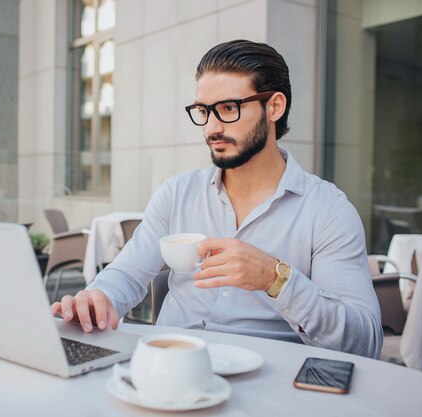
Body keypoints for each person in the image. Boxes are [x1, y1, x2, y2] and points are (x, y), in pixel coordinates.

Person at [51, 39, 383, 359]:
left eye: (228, 108)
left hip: (271, 382)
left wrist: (276, 278)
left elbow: (363, 343)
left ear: (275, 107)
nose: (211, 128)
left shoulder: (328, 210)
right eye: (203, 111)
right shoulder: (177, 193)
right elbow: (127, 273)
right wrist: (99, 298)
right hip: (170, 370)